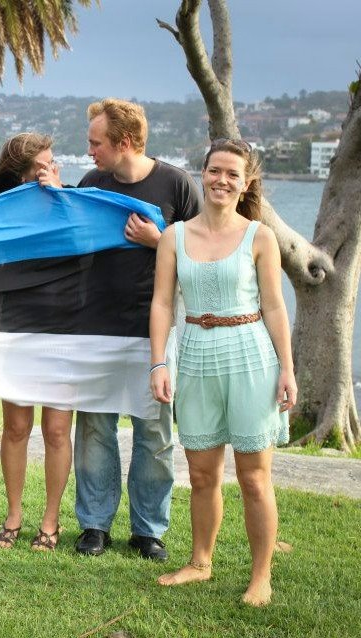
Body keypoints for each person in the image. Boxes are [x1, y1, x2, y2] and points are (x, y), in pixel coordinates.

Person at [150, 138, 295, 607]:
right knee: (201, 474)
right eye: (215, 170)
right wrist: (158, 361)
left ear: (246, 181)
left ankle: (261, 575)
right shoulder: (174, 236)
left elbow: (274, 306)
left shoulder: (260, 236)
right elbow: (163, 303)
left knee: (254, 477)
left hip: (252, 357)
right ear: (202, 172)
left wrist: (287, 369)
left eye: (233, 174)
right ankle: (199, 562)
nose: (222, 180)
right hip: (194, 356)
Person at [73, 98, 201, 560]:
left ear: (123, 142)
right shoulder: (91, 183)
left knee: (154, 431)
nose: (89, 150)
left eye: (96, 142)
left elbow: (204, 256)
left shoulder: (177, 184)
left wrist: (160, 239)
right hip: (98, 326)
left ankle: (148, 530)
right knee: (94, 429)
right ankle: (94, 525)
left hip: (158, 333)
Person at [0, 133, 71, 551]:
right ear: (22, 172)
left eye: (53, 162)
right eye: (44, 164)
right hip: (15, 328)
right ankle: (13, 516)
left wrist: (59, 196)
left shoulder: (72, 203)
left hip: (64, 331)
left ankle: (50, 523)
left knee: (56, 430)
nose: (52, 169)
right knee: (16, 428)